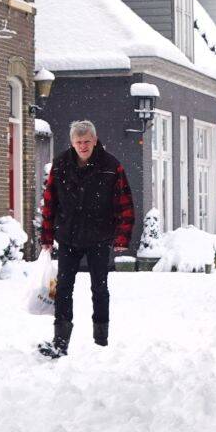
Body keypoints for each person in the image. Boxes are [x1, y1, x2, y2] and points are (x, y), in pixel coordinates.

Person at [37, 120, 134, 358]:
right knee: (63, 288)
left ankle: (101, 341)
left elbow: (125, 203)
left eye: (87, 141)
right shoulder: (61, 164)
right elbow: (50, 202)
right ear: (72, 143)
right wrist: (47, 235)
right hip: (68, 236)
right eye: (78, 142)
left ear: (95, 140)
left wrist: (122, 237)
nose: (83, 146)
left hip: (99, 236)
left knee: (99, 287)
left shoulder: (111, 166)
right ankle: (60, 342)